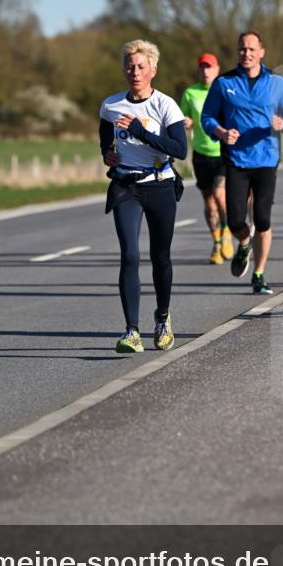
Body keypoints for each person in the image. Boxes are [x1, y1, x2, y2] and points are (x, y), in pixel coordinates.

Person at [100, 39, 187, 353]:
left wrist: (141, 131)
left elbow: (180, 150)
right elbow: (105, 138)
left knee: (160, 258)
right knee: (130, 255)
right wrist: (106, 155)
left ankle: (162, 318)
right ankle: (131, 331)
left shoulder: (165, 105)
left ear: (153, 69)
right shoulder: (110, 105)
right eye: (129, 66)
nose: (134, 71)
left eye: (140, 66)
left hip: (160, 185)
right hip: (126, 187)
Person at [201, 30, 283, 295]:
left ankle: (259, 274)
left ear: (262, 52)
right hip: (236, 160)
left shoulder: (277, 83)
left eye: (251, 49)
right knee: (235, 221)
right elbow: (207, 117)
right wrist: (221, 132)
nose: (246, 53)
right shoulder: (224, 83)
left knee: (263, 218)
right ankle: (244, 242)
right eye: (242, 49)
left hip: (266, 159)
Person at [180, 53, 235, 264]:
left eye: (209, 67)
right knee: (209, 203)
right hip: (201, 154)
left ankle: (227, 232)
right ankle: (217, 242)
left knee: (221, 197)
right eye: (202, 68)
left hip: (221, 152)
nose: (205, 71)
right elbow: (185, 117)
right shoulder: (190, 93)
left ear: (217, 69)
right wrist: (186, 122)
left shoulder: (225, 89)